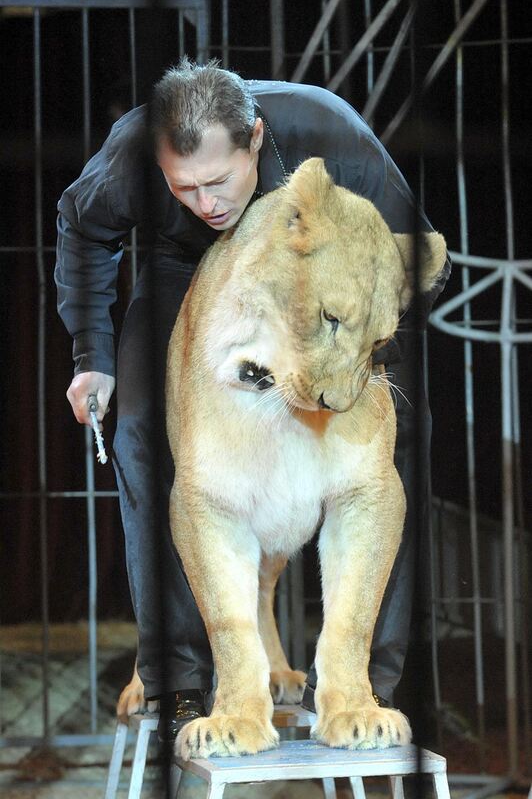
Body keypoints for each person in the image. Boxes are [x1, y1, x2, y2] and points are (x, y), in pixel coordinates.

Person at [55, 57, 450, 741]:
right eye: (185, 187)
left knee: (399, 444)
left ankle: (362, 685)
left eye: (218, 180)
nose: (206, 203)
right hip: (188, 274)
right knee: (142, 434)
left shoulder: (332, 135)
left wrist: (354, 350)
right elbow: (84, 227)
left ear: (257, 139)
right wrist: (93, 357)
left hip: (325, 288)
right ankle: (178, 680)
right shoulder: (130, 153)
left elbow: (409, 257)